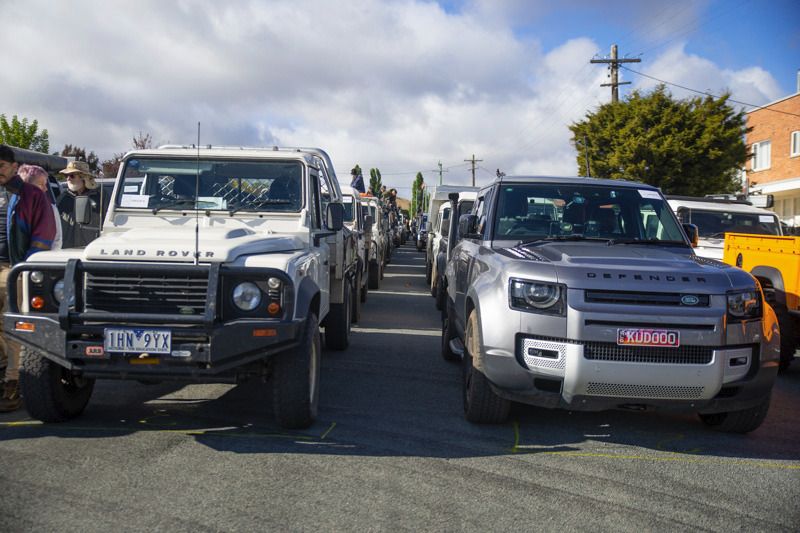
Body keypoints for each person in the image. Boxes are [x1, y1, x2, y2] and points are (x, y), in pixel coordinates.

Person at [0, 145, 57, 412]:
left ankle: (13, 383)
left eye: (1, 166)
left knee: (13, 326)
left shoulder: (31, 195)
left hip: (13, 268)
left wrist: (25, 268)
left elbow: (44, 235)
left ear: (14, 167)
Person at [56, 160, 103, 248]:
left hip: (91, 249)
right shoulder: (63, 198)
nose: (68, 179)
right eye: (66, 176)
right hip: (66, 250)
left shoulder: (100, 196)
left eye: (72, 175)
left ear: (83, 177)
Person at [18, 164, 62, 250]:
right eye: (41, 184)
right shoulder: (12, 206)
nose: (46, 189)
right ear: (26, 185)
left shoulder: (51, 209)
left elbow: (57, 241)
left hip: (41, 257)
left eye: (45, 184)